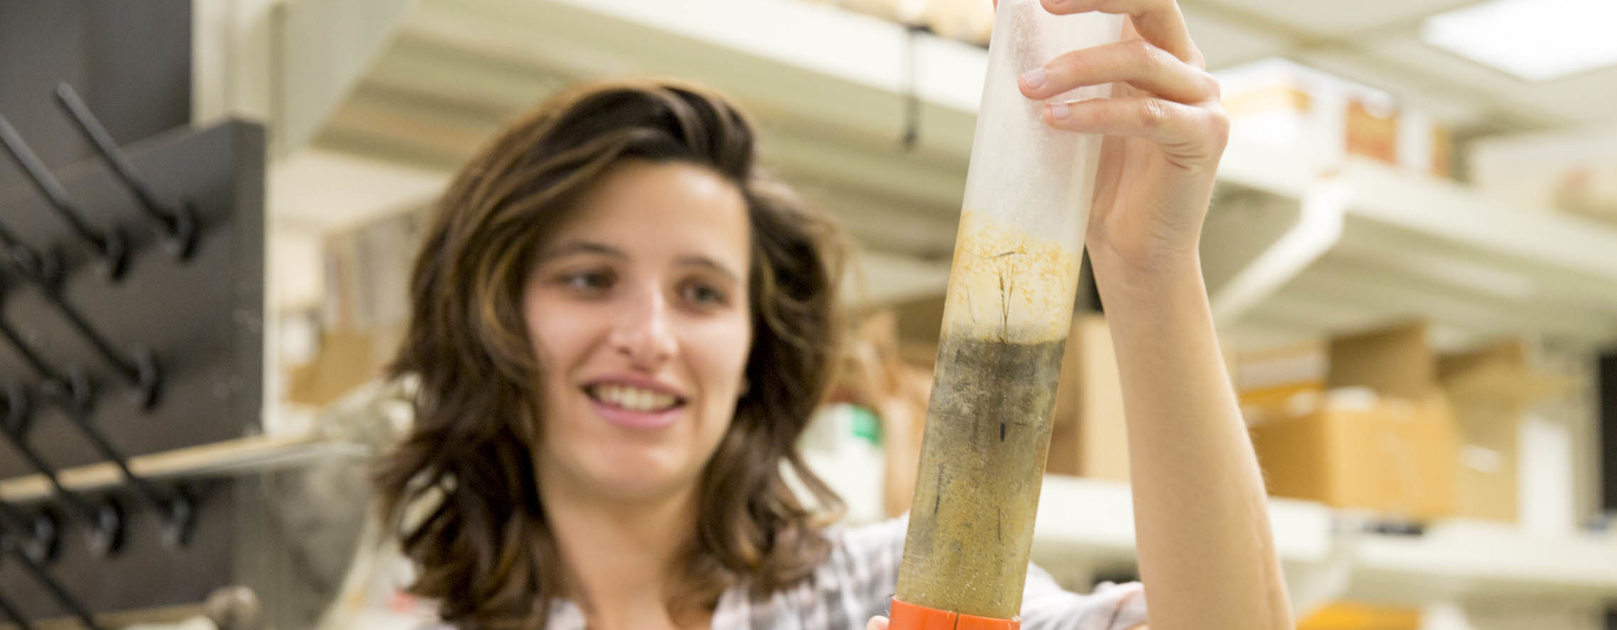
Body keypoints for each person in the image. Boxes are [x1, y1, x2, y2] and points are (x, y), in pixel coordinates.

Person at [373, 0, 1288, 628]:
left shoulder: (880, 594)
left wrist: (1149, 269)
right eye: (588, 279)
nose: (648, 338)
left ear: (755, 347)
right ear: (492, 319)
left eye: (701, 293)